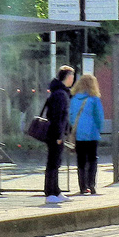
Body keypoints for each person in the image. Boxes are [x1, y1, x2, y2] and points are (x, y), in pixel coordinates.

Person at [68, 73, 106, 196]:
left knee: (81, 160)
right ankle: (91, 184)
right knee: (92, 159)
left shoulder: (74, 99)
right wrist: (98, 129)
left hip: (78, 134)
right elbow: (99, 117)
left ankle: (82, 186)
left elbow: (71, 116)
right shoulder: (94, 99)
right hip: (92, 133)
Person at [43, 65, 75, 204]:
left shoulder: (59, 92)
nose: (73, 79)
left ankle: (56, 191)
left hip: (58, 133)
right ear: (68, 77)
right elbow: (57, 117)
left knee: (56, 162)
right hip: (56, 134)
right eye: (72, 76)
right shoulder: (60, 94)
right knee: (53, 163)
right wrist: (58, 136)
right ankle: (50, 192)